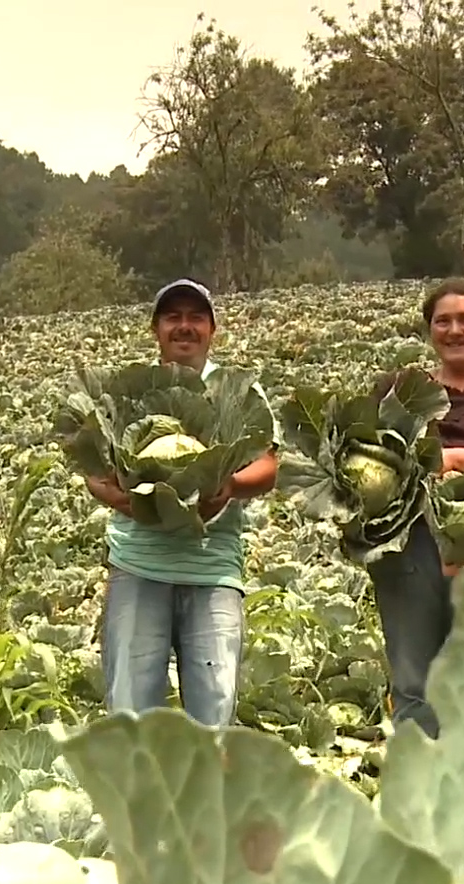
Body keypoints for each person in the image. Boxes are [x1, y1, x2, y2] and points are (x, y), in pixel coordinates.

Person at [83, 278, 281, 727]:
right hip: (139, 565)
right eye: (173, 317)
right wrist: (121, 498)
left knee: (214, 707)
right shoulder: (128, 391)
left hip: (212, 570)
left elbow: (268, 467)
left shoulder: (236, 391)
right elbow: (95, 470)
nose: (184, 327)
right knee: (131, 711)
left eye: (196, 317)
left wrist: (228, 485)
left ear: (212, 330)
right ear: (156, 329)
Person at [366, 278, 464, 739]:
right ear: (429, 331)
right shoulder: (397, 389)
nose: (455, 330)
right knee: (415, 679)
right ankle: (420, 790)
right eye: (443, 321)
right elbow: (364, 454)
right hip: (407, 542)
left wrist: (451, 459)